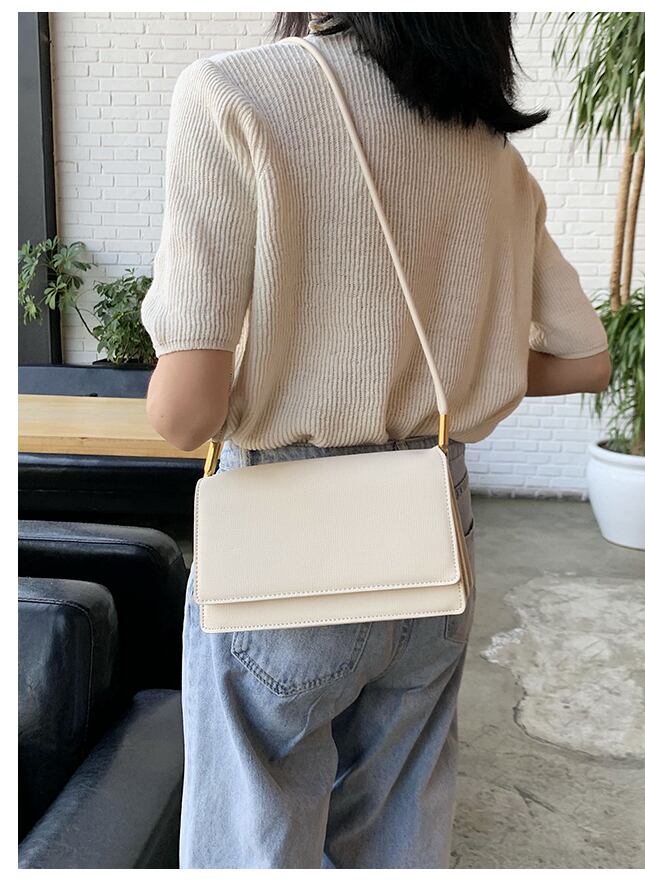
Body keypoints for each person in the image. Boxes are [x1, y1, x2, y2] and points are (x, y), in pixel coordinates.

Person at [141, 12, 611, 869]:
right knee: (400, 824)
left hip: (287, 528)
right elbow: (587, 360)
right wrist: (472, 373)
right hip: (433, 523)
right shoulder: (491, 151)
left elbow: (183, 416)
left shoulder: (233, 94)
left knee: (254, 834)